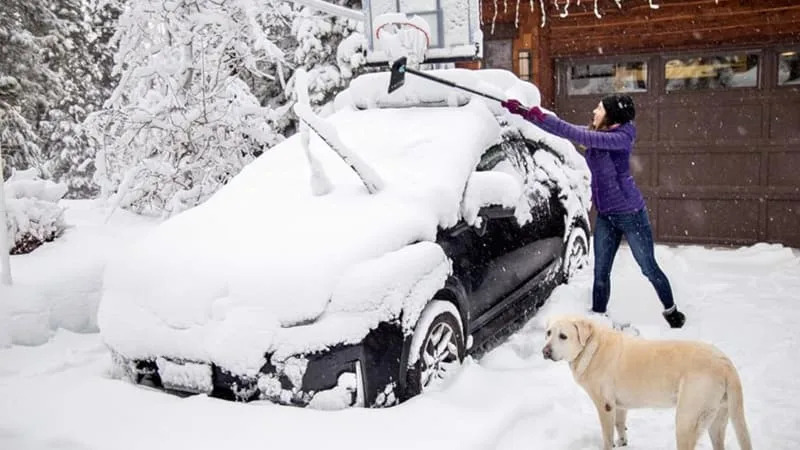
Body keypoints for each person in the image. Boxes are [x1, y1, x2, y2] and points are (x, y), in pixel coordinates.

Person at [502, 94, 686, 329]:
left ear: (611, 115)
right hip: (606, 215)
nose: (594, 111)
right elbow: (563, 129)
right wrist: (526, 112)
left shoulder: (620, 137)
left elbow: (575, 134)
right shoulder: (599, 133)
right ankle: (598, 317)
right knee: (600, 271)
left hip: (631, 214)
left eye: (599, 109)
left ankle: (672, 312)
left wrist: (535, 114)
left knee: (648, 267)